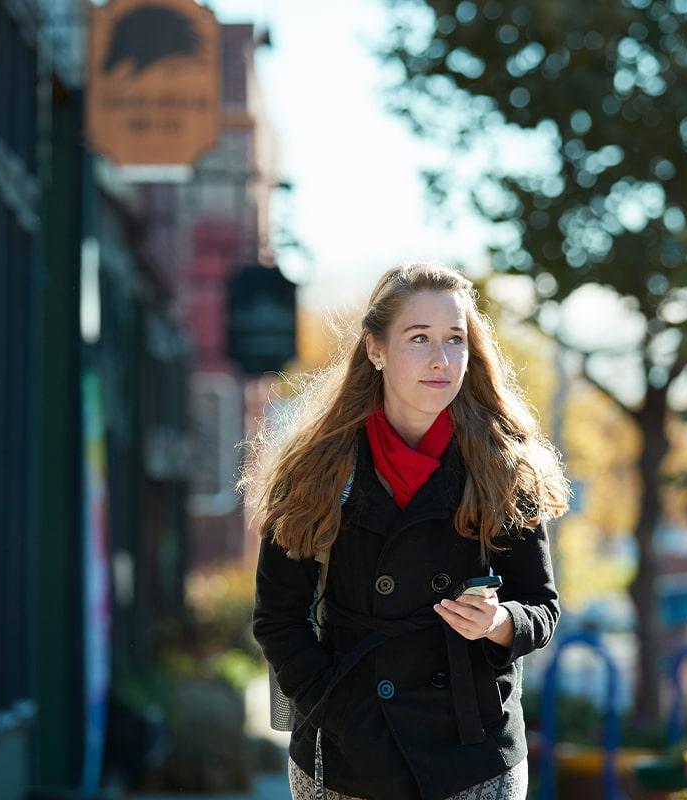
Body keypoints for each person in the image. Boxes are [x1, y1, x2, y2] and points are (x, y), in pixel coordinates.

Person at [241, 262, 570, 800]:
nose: (441, 359)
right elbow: (278, 618)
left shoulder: (503, 465)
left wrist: (500, 621)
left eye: (454, 339)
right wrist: (336, 709)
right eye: (419, 338)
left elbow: (541, 606)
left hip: (472, 751)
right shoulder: (317, 469)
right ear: (375, 349)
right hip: (348, 753)